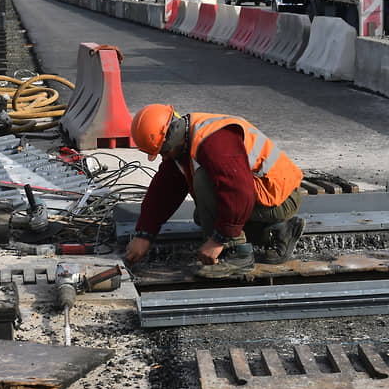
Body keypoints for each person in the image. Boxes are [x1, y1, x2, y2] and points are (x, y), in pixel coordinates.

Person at [125, 104, 306, 279]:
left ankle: (238, 254)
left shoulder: (215, 142)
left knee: (204, 181)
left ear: (171, 136)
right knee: (202, 216)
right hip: (260, 195)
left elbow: (238, 193)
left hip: (279, 196)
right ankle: (279, 231)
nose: (163, 156)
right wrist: (145, 234)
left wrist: (219, 240)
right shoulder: (183, 145)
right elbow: (163, 191)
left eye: (163, 151)